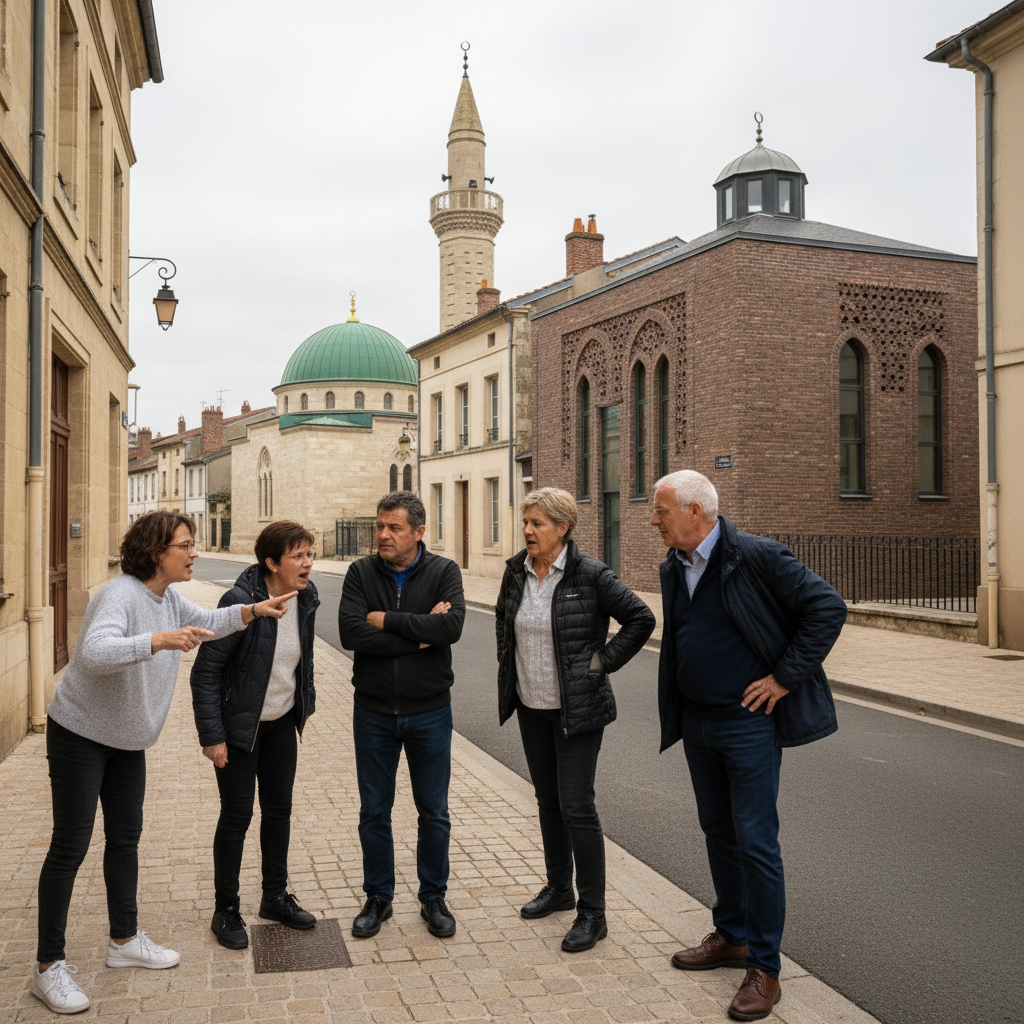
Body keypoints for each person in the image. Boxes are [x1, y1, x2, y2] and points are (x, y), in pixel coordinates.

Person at [31, 510, 295, 1014]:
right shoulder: (121, 594)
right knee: (70, 847)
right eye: (186, 545)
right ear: (157, 552)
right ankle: (48, 967)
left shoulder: (167, 597)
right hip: (81, 734)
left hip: (127, 740)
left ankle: (124, 940)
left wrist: (251, 611)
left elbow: (206, 623)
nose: (194, 553)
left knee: (125, 839)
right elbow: (93, 652)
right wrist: (157, 640)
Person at [651, 471, 846, 1022]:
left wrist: (784, 678)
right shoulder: (674, 564)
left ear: (695, 511)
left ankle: (765, 967)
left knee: (756, 841)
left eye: (661, 510)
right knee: (717, 831)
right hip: (698, 722)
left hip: (747, 724)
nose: (653, 519)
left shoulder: (756, 556)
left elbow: (827, 608)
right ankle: (731, 935)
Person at [495, 488, 655, 952]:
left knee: (577, 807)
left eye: (537, 523)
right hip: (531, 705)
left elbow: (641, 619)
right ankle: (559, 888)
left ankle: (593, 913)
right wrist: (511, 673)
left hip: (578, 711)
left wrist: (601, 663)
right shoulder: (516, 572)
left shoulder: (590, 574)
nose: (527, 530)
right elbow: (506, 625)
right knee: (548, 801)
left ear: (562, 528)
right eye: (526, 522)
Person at [338, 491, 465, 940]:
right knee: (374, 811)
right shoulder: (360, 572)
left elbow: (451, 627)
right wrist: (420, 634)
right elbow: (350, 633)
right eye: (380, 526)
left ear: (418, 532)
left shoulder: (444, 571)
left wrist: (386, 620)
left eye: (394, 527)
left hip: (430, 711)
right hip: (373, 712)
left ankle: (433, 897)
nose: (384, 535)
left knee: (434, 812)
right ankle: (378, 897)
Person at [190, 521, 320, 950]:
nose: (307, 563)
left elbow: (299, 660)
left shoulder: (306, 597)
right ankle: (226, 908)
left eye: (310, 554)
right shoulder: (239, 601)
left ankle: (274, 898)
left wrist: (304, 703)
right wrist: (212, 736)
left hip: (281, 723)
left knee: (279, 811)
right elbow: (206, 672)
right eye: (298, 556)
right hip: (239, 730)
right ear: (271, 563)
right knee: (236, 816)